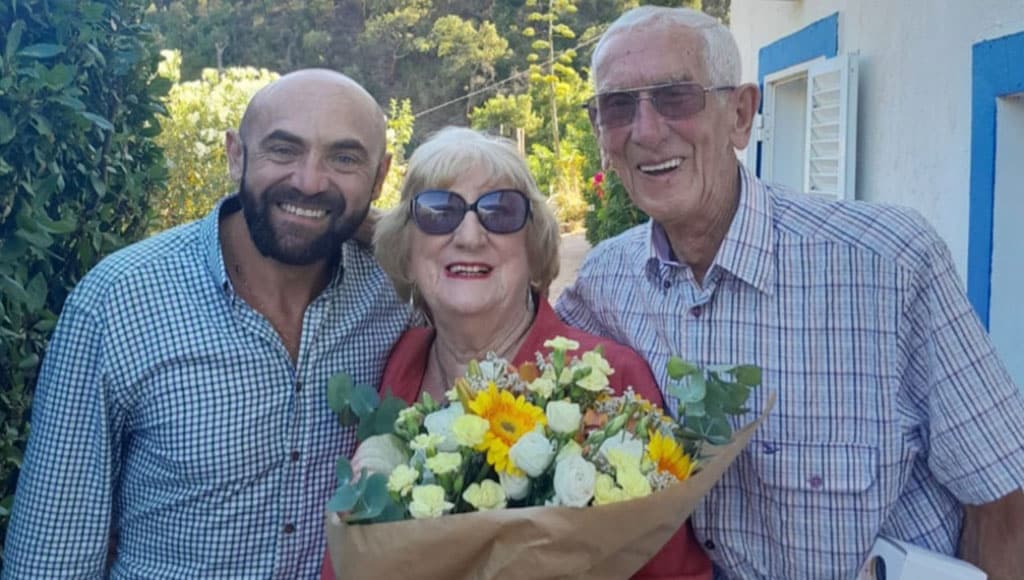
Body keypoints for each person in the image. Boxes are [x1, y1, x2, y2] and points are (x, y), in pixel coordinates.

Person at [555, 5, 1024, 579]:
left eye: (677, 96)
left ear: (740, 114)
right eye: (617, 106)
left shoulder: (889, 266)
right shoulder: (604, 286)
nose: (646, 131)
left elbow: (1006, 502)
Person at [3, 69, 409, 578]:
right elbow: (53, 552)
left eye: (344, 158)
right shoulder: (121, 301)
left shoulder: (399, 296)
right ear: (235, 154)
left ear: (379, 176)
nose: (309, 180)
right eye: (282, 150)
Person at [319, 126, 712, 579]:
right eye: (437, 211)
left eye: (500, 211)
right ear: (407, 254)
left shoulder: (610, 379)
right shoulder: (394, 362)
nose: (468, 235)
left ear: (534, 250)